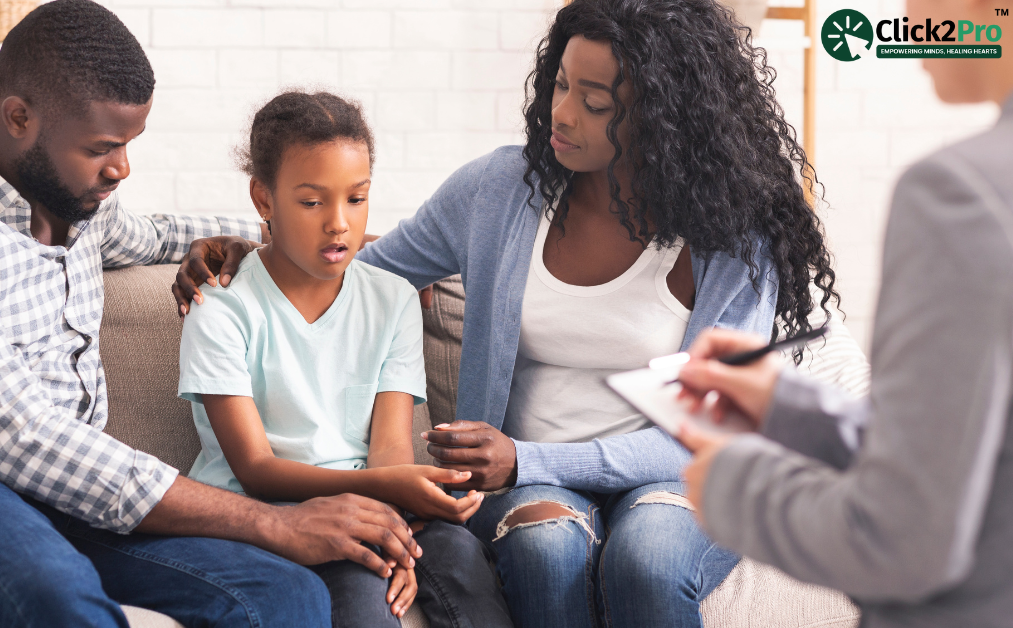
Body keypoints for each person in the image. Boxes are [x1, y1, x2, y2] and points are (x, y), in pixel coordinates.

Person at [172, 0, 839, 626]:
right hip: (523, 486)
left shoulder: (734, 237)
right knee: (545, 550)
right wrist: (246, 248)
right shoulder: (502, 189)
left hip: (676, 475)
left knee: (648, 559)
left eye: (595, 100)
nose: (563, 114)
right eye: (561, 85)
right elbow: (351, 274)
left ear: (665, 117)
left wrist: (526, 460)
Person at [0, 3, 419, 627]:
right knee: (58, 597)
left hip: (73, 498)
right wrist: (273, 521)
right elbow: (19, 435)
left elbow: (157, 234)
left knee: (283, 595)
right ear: (19, 118)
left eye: (128, 145)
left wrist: (305, 240)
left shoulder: (72, 198)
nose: (122, 168)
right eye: (102, 148)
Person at [674, 0, 1013, 626]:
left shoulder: (961, 195)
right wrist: (787, 405)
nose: (908, 16)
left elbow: (901, 536)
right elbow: (969, 452)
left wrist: (732, 484)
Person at [178, 90, 512, 628]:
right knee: (361, 590)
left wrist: (402, 514)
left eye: (356, 200)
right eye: (312, 203)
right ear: (263, 200)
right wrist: (387, 502)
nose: (338, 223)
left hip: (372, 501)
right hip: (268, 514)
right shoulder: (219, 307)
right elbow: (256, 471)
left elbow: (387, 452)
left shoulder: (393, 298)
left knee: (462, 559)